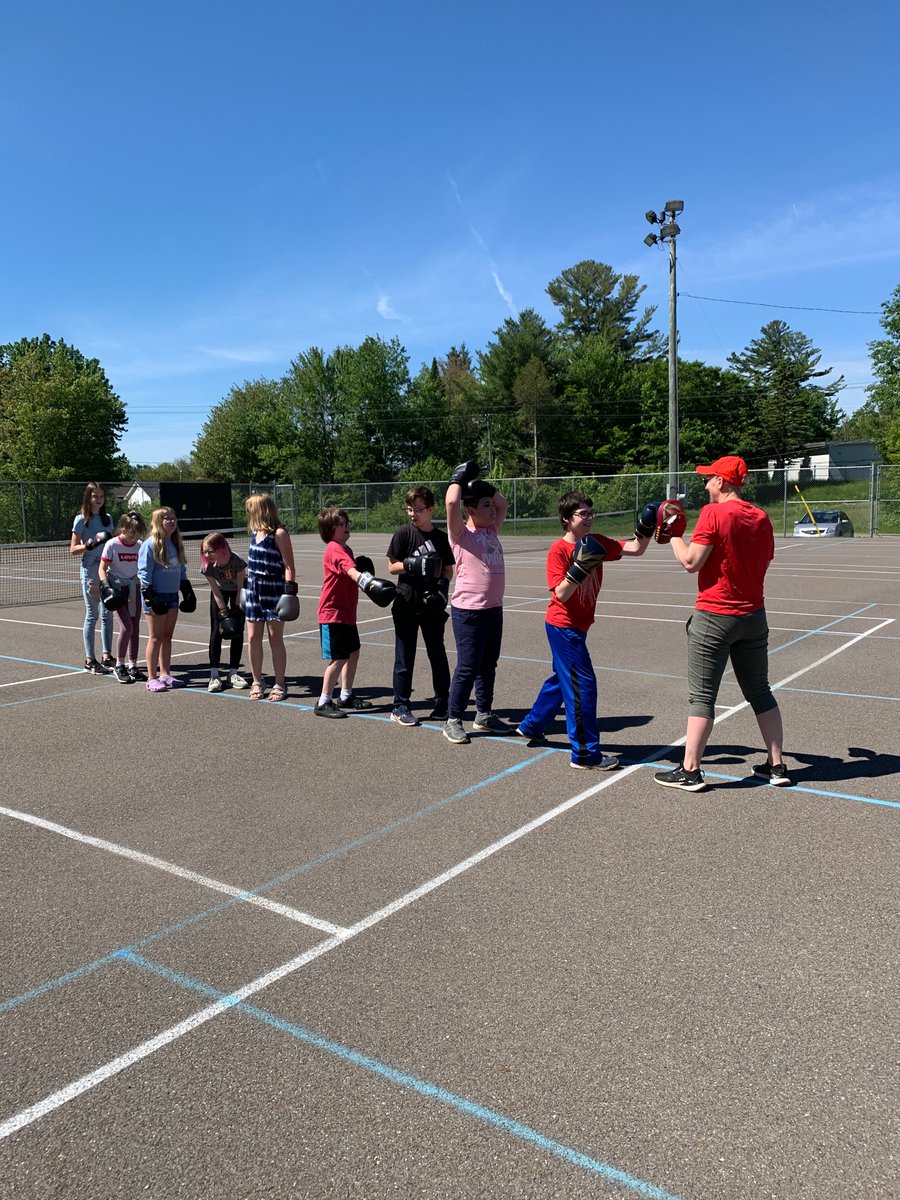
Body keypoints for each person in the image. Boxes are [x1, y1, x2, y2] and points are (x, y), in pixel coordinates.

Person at [654, 455, 790, 792]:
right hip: (753, 615)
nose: (705, 485)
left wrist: (674, 534)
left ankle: (690, 770)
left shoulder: (714, 513)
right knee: (760, 691)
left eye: (708, 478)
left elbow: (690, 562)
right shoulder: (761, 517)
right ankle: (776, 766)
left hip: (715, 615)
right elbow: (765, 561)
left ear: (722, 481)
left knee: (702, 697)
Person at [516, 491, 653, 769]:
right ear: (567, 519)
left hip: (579, 625)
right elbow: (561, 593)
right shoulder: (558, 550)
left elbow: (635, 548)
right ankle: (584, 754)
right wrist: (580, 567)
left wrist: (647, 525)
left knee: (563, 678)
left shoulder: (596, 541)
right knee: (582, 686)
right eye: (583, 514)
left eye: (591, 513)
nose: (589, 518)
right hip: (563, 626)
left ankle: (532, 725)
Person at [442, 462, 513, 744]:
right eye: (485, 505)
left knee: (488, 665)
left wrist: (487, 489)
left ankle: (483, 714)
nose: (493, 509)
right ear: (471, 510)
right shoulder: (461, 535)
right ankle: (453, 720)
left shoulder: (492, 530)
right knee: (468, 667)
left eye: (491, 505)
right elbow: (451, 502)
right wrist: (457, 479)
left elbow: (503, 503)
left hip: (493, 609)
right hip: (469, 612)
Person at [314, 507, 396, 719]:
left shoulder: (346, 548)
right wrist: (368, 581)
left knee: (353, 652)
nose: (347, 526)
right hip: (332, 614)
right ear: (330, 529)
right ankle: (323, 701)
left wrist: (361, 574)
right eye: (341, 524)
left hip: (347, 613)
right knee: (338, 658)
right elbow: (349, 570)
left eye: (347, 522)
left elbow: (350, 569)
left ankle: (346, 695)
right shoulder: (334, 549)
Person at [385, 486, 455, 727]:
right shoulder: (404, 533)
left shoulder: (440, 538)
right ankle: (400, 706)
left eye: (417, 509)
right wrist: (411, 564)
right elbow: (391, 566)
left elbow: (448, 569)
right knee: (404, 656)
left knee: (437, 654)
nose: (412, 514)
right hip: (406, 601)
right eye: (409, 509)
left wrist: (442, 589)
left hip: (431, 604)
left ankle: (443, 701)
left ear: (430, 509)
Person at [244, 493, 297, 702]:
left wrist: (289, 594)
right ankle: (257, 680)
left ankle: (280, 683)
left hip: (274, 589)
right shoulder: (254, 532)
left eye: (251, 508)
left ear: (261, 510)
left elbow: (289, 567)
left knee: (275, 638)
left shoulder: (279, 534)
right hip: (253, 589)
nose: (248, 512)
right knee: (252, 638)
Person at [138, 507, 195, 692]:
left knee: (167, 636)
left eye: (173, 518)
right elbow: (144, 573)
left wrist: (187, 590)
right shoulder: (150, 544)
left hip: (172, 596)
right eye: (167, 518)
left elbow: (181, 569)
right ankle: (152, 678)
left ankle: (165, 673)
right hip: (156, 595)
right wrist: (149, 596)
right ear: (158, 522)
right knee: (155, 637)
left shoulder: (175, 543)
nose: (172, 521)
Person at [70, 482, 116, 674]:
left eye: (101, 496)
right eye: (95, 496)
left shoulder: (108, 519)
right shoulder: (81, 520)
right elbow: (73, 549)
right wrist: (88, 545)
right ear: (88, 497)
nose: (98, 499)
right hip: (89, 569)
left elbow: (112, 544)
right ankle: (90, 660)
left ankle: (107, 656)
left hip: (106, 569)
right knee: (92, 614)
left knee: (108, 614)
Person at [98, 510, 147, 684]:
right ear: (123, 529)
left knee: (135, 628)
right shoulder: (112, 544)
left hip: (134, 587)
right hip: (118, 589)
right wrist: (106, 586)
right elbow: (102, 569)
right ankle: (119, 665)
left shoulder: (140, 545)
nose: (135, 536)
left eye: (138, 532)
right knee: (127, 627)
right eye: (132, 532)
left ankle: (133, 665)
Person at [200, 532, 248, 693]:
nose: (207, 555)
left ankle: (233, 673)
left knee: (237, 631)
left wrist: (235, 610)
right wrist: (223, 612)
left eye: (211, 551)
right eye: (205, 552)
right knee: (216, 631)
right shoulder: (207, 566)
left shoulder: (237, 562)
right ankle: (214, 675)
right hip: (220, 592)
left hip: (238, 592)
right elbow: (215, 591)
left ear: (221, 548)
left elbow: (240, 588)